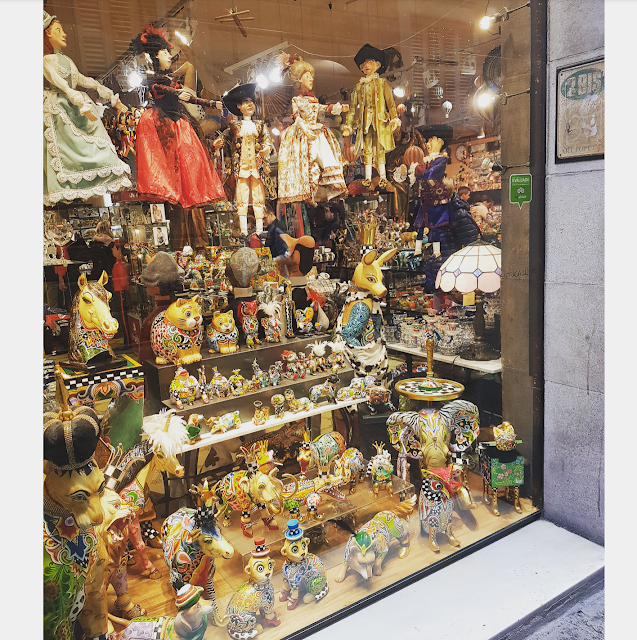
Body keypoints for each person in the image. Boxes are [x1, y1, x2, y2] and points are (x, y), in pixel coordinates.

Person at [43, 11, 131, 206]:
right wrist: (80, 103)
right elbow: (61, 84)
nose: (64, 34)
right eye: (58, 30)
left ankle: (97, 175)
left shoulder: (67, 60)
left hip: (75, 104)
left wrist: (104, 91)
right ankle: (68, 183)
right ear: (48, 35)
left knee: (97, 140)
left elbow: (81, 79)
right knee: (64, 147)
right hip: (61, 105)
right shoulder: (47, 60)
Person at [131, 26, 225, 209]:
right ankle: (171, 192)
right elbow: (157, 88)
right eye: (165, 52)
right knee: (166, 162)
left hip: (177, 122)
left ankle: (186, 193)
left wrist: (211, 104)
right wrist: (175, 92)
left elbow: (189, 97)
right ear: (156, 55)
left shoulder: (169, 79)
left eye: (168, 52)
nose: (169, 56)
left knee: (190, 161)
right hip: (162, 123)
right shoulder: (153, 79)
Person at [275, 55, 348, 205]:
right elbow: (296, 117)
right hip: (304, 133)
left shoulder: (313, 100)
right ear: (299, 79)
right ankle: (309, 192)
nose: (311, 79)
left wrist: (339, 108)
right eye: (307, 76)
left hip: (316, 131)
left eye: (311, 76)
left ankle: (327, 187)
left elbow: (323, 108)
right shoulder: (297, 100)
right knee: (308, 158)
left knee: (325, 157)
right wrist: (305, 130)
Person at [215, 83, 275, 236]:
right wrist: (216, 145)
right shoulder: (234, 125)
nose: (249, 105)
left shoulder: (260, 125)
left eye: (251, 102)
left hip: (257, 167)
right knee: (241, 196)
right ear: (239, 106)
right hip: (241, 167)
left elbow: (267, 141)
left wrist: (265, 149)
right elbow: (224, 138)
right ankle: (243, 229)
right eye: (245, 102)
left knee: (258, 196)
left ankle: (260, 229)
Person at [342, 43, 401, 187]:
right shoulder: (359, 86)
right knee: (367, 148)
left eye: (370, 62)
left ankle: (383, 177)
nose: (367, 65)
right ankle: (368, 177)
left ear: (377, 65)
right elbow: (352, 108)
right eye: (364, 63)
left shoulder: (381, 83)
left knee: (380, 148)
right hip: (365, 122)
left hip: (379, 121)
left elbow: (390, 102)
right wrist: (348, 125)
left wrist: (394, 118)